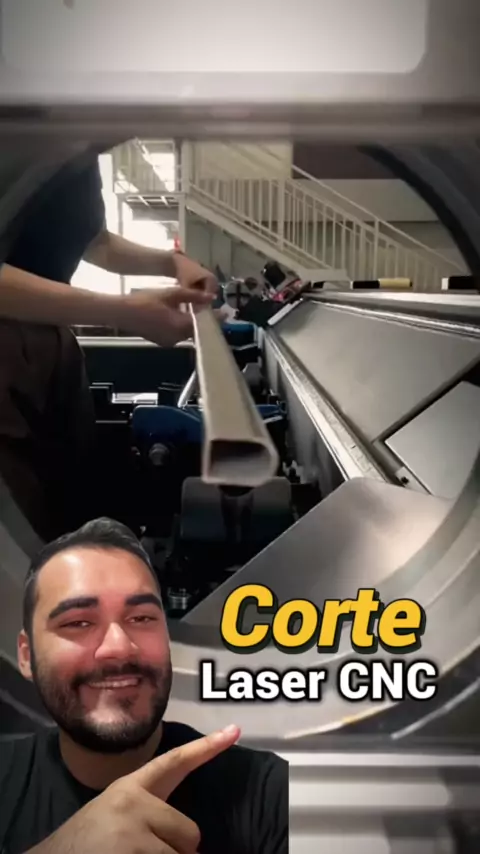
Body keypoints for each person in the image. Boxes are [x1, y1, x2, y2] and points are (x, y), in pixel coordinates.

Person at [0, 517, 288, 854]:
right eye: (78, 622)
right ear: (26, 655)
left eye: (141, 618)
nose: (119, 647)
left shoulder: (267, 793)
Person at [0, 146, 218, 541]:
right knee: (23, 527)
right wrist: (121, 311)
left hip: (52, 340)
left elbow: (95, 241)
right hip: (7, 359)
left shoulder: (78, 150)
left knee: (73, 500)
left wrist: (172, 263)